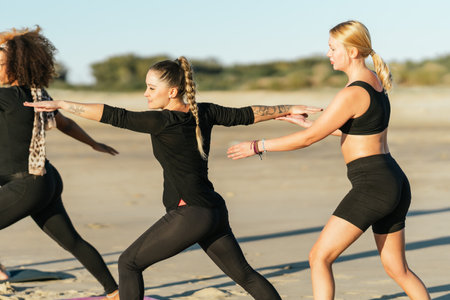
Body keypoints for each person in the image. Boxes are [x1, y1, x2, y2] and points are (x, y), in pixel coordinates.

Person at [26, 55, 322, 300]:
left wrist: (64, 105)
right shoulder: (203, 112)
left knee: (128, 263)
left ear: (172, 91)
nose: (146, 94)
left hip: (190, 212)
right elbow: (247, 113)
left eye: (151, 88)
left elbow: (114, 115)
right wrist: (287, 108)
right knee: (244, 275)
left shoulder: (162, 121)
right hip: (213, 210)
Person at [227, 20, 431, 300]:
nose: (328, 54)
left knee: (319, 257)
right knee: (398, 269)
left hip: (372, 186)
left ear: (352, 51)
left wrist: (259, 145)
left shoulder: (352, 92)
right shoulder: (375, 83)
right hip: (393, 180)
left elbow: (308, 141)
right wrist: (305, 123)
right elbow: (352, 132)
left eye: (333, 48)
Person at [0, 26, 119, 299]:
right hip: (46, 180)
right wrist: (92, 143)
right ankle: (114, 292)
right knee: (73, 242)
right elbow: (65, 122)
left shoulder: (7, 97)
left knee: (73, 241)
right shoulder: (38, 94)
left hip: (26, 184)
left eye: (0, 64)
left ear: (17, 66)